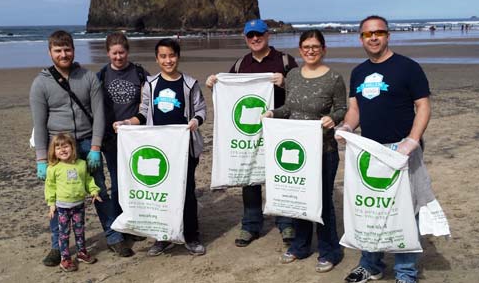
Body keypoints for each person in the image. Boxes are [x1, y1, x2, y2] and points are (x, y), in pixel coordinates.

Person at [337, 15, 432, 283]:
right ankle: (371, 264)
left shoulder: (408, 68)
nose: (374, 37)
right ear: (361, 38)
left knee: (405, 213)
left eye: (379, 32)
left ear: (388, 35)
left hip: (402, 151)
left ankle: (405, 272)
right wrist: (346, 127)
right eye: (368, 34)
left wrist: (412, 140)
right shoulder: (358, 72)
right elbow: (355, 109)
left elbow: (423, 106)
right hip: (368, 151)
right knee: (370, 209)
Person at [29, 30, 134, 267]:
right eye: (58, 50)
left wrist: (95, 147)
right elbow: (39, 123)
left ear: (73, 50)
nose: (63, 54)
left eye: (67, 49)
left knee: (100, 192)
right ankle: (57, 246)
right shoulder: (40, 83)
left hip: (87, 142)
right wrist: (41, 160)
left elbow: (99, 115)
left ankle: (113, 235)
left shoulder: (88, 78)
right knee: (58, 197)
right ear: (50, 52)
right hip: (60, 148)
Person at [206, 19, 298, 247]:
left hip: (279, 127)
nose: (255, 39)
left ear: (268, 35)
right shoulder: (240, 65)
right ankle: (251, 225)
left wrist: (286, 82)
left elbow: (300, 92)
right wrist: (214, 83)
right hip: (248, 132)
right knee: (249, 176)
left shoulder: (285, 61)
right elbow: (229, 93)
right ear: (245, 38)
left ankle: (286, 223)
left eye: (259, 34)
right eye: (250, 36)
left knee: (280, 174)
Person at [113, 38, 207, 256]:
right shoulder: (150, 84)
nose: (168, 60)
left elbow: (201, 111)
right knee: (161, 193)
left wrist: (195, 122)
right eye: (163, 56)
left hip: (185, 150)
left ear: (178, 56)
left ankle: (191, 236)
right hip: (159, 149)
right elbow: (143, 112)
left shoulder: (190, 84)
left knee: (187, 194)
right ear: (157, 59)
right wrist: (126, 123)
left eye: (172, 55)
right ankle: (162, 237)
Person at [263, 29, 346, 272]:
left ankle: (330, 250)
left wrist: (333, 118)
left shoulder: (334, 78)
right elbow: (288, 107)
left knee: (323, 201)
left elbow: (341, 109)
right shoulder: (293, 76)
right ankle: (300, 245)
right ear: (300, 50)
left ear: (323, 49)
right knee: (299, 197)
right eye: (306, 47)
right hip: (297, 150)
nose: (310, 51)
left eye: (315, 47)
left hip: (324, 149)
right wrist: (272, 113)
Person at [98, 32, 148, 216]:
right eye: (114, 53)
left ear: (127, 51)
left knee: (138, 179)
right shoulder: (101, 76)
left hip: (137, 137)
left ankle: (139, 217)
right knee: (118, 182)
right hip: (111, 140)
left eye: (122, 52)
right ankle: (122, 222)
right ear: (108, 53)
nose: (118, 57)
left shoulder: (140, 73)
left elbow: (151, 102)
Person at [45, 133, 101, 272]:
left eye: (65, 146)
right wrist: (51, 204)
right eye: (58, 148)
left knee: (79, 230)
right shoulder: (53, 168)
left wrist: (94, 191)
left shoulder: (81, 164)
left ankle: (82, 252)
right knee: (63, 233)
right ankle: (65, 258)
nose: (62, 150)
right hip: (62, 207)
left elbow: (88, 180)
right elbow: (50, 186)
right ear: (54, 151)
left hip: (79, 205)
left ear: (72, 147)